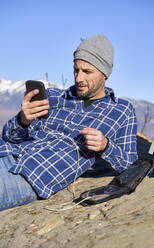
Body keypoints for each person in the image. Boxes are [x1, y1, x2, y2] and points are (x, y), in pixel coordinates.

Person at [0, 34, 138, 211]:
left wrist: (106, 146)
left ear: (105, 74)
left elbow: (132, 165)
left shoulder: (121, 111)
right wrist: (22, 120)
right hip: (5, 152)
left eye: (87, 72)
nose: (79, 78)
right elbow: (9, 137)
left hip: (27, 174)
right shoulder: (52, 96)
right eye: (76, 70)